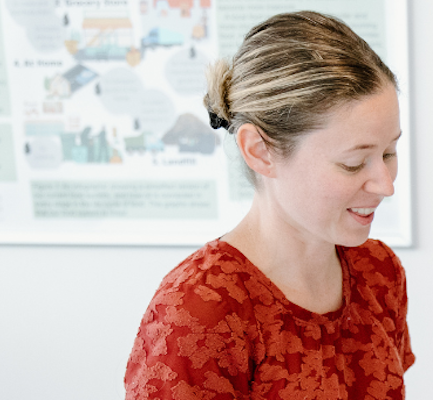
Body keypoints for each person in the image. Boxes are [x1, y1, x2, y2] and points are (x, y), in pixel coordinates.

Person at [124, 11, 412, 400]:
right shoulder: (199, 309)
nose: (386, 184)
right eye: (353, 163)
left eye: (389, 152)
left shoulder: (378, 272)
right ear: (260, 151)